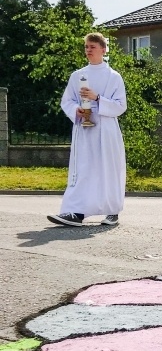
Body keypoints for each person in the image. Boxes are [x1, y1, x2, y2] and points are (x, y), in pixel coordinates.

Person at [47, 33, 127, 227]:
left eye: (92, 46)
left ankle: (112, 211)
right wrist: (77, 110)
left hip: (106, 130)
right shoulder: (78, 75)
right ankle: (76, 212)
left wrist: (97, 98)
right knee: (83, 169)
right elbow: (67, 101)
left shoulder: (113, 77)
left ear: (103, 49)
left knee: (107, 169)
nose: (88, 50)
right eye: (86, 47)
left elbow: (120, 106)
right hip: (84, 129)